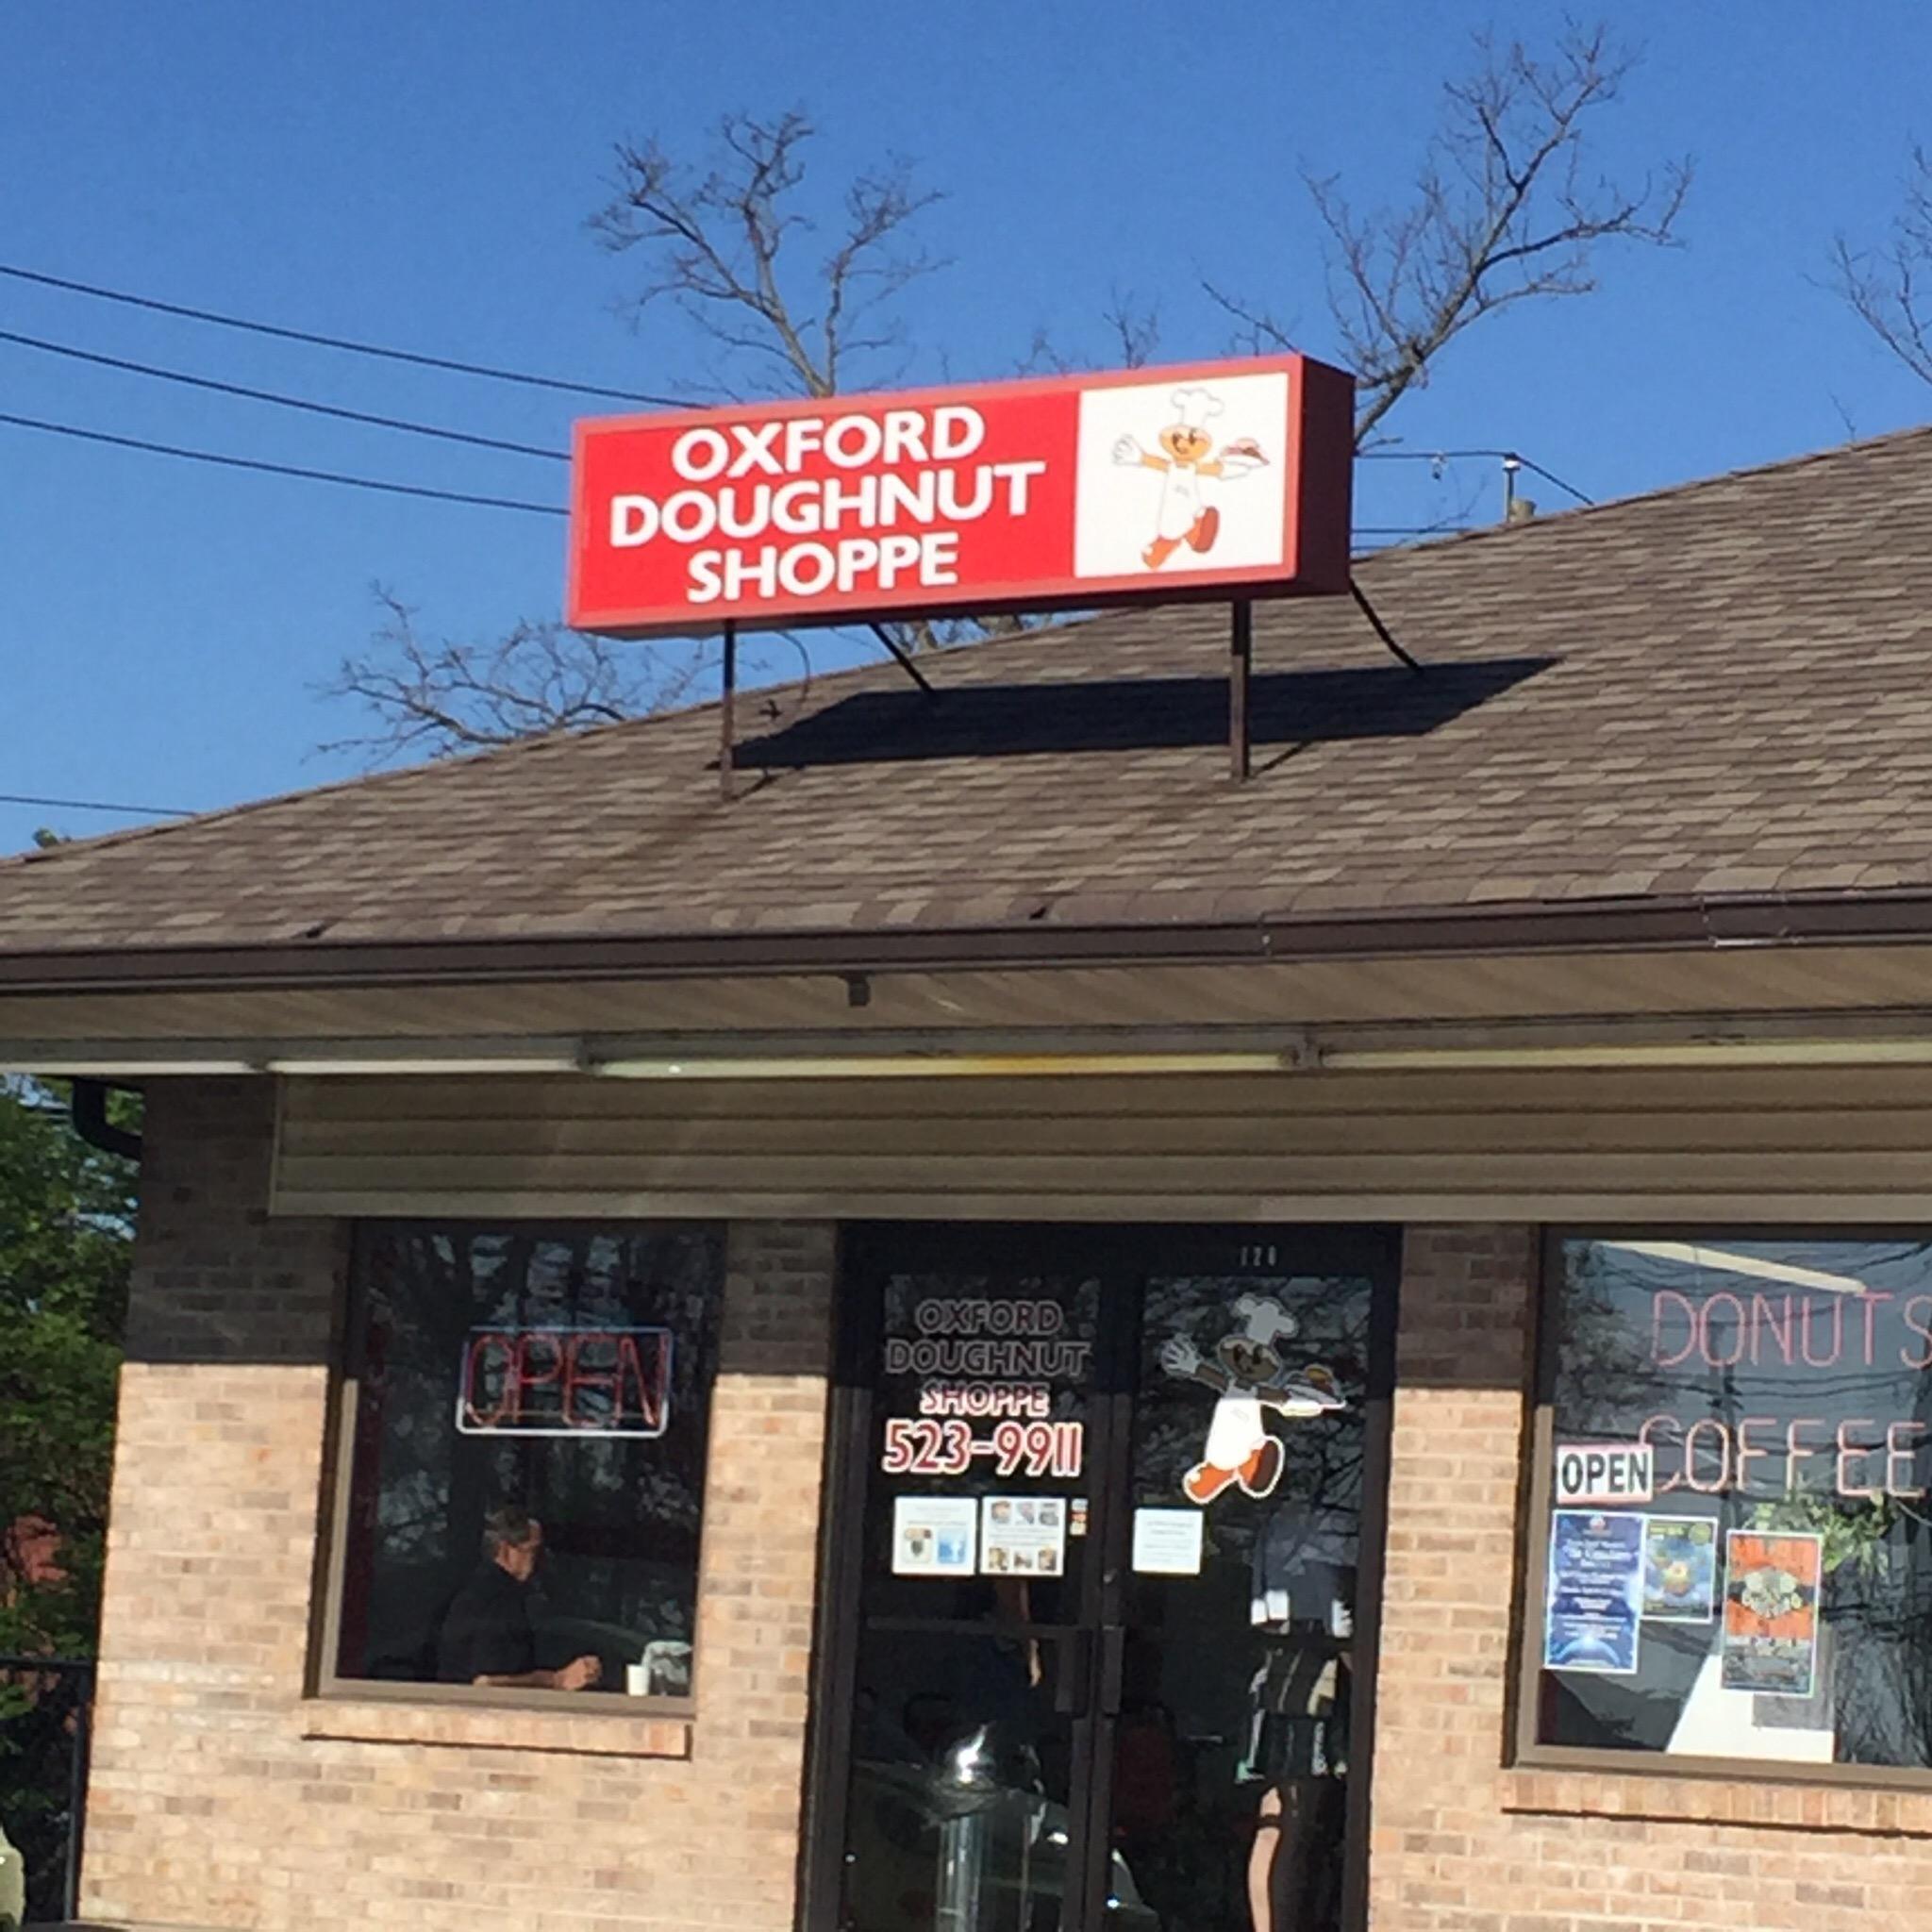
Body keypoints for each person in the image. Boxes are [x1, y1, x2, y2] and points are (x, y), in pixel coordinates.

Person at [435, 1506, 601, 1691]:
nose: (539, 1561)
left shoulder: (477, 1592)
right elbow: (487, 1682)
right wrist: (557, 1680)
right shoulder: (497, 1599)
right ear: (506, 1549)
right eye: (534, 1550)